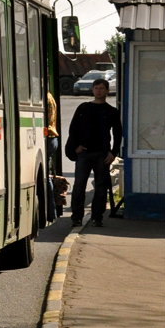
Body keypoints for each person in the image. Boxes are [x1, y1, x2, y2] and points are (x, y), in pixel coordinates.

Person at [65, 78, 123, 227]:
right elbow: (74, 129)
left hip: (102, 155)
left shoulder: (111, 112)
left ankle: (97, 217)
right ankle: (76, 217)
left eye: (101, 88)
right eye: (96, 88)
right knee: (79, 186)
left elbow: (118, 134)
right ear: (93, 90)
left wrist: (113, 153)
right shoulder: (83, 108)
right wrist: (75, 148)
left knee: (101, 187)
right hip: (84, 153)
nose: (98, 91)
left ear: (107, 91)